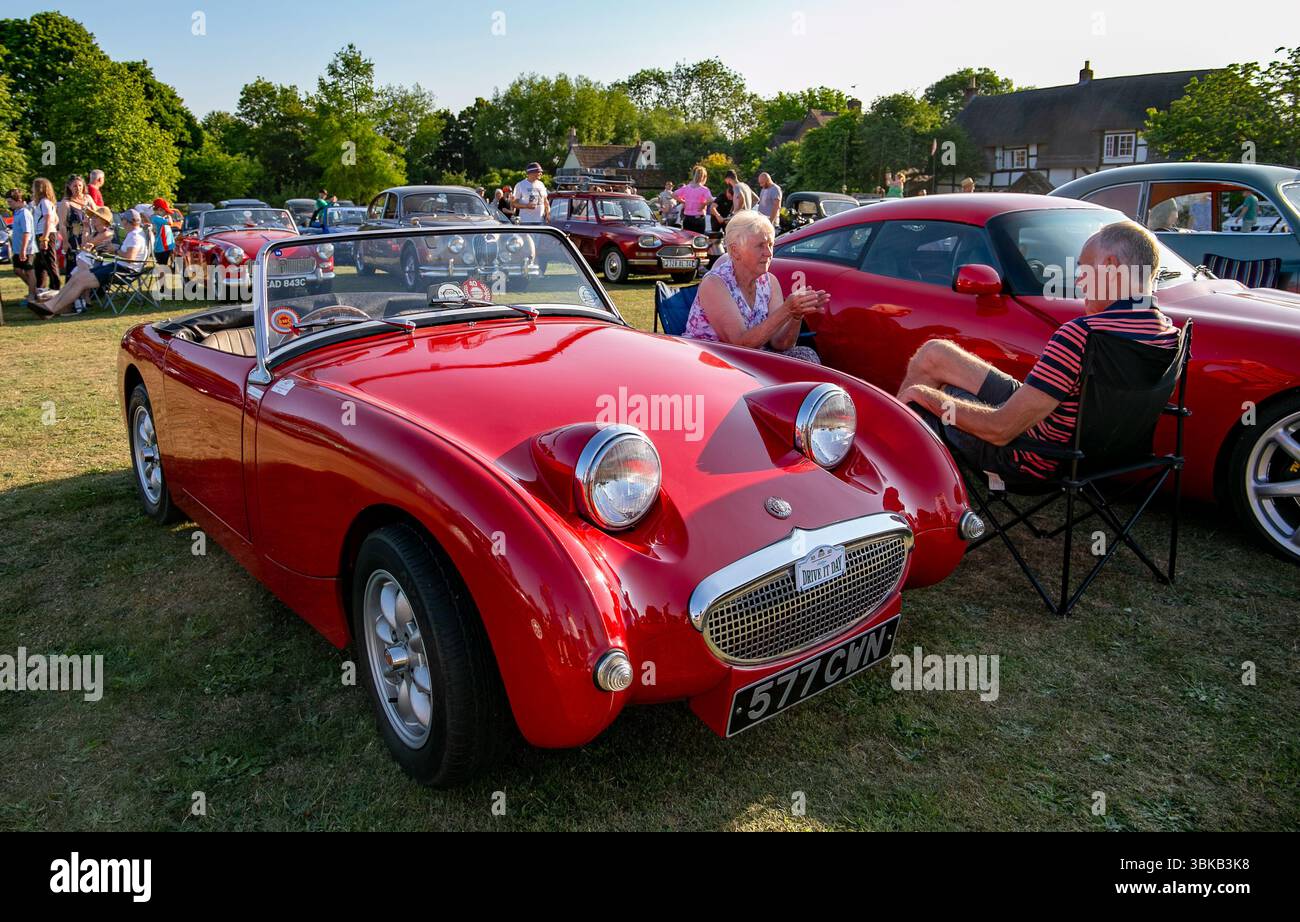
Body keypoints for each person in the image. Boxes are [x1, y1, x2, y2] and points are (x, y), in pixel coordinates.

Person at [898, 220, 1179, 483]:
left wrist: (925, 396)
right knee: (935, 353)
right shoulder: (1169, 336)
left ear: (1109, 266)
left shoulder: (1082, 336)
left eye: (1084, 269)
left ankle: (895, 470)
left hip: (1029, 459)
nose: (1080, 283)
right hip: (1098, 454)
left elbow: (999, 430)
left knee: (933, 395)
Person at [683, 210, 826, 364]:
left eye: (771, 244)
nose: (769, 253)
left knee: (806, 356)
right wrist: (787, 309)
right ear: (735, 251)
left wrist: (796, 315)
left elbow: (781, 344)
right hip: (714, 361)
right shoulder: (715, 283)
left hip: (751, 360)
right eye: (760, 246)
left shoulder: (769, 282)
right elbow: (739, 344)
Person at [30, 209, 151, 317]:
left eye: (123, 219)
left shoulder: (135, 236)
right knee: (78, 276)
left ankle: (53, 308)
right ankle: (52, 305)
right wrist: (116, 249)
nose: (121, 222)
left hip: (123, 271)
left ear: (126, 221)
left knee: (80, 280)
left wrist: (115, 249)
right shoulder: (135, 234)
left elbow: (130, 257)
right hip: (117, 267)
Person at [6, 188, 38, 300]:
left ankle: (32, 295)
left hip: (27, 249)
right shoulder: (17, 213)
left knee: (29, 271)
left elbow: (27, 232)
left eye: (10, 202)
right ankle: (35, 289)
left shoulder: (25, 213)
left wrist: (23, 250)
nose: (9, 205)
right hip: (17, 249)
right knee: (17, 270)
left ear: (19, 200)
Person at [30, 176, 61, 292]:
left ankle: (56, 287)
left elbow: (49, 219)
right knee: (39, 264)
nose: (32, 190)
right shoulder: (45, 203)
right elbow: (56, 219)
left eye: (34, 188)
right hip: (43, 233)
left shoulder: (45, 202)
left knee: (49, 261)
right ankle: (41, 287)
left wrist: (45, 238)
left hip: (45, 235)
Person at [57, 175, 91, 266]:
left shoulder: (88, 199)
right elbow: (62, 224)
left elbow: (97, 214)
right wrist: (65, 242)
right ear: (69, 187)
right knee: (74, 266)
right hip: (74, 238)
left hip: (89, 236)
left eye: (80, 185)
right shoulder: (66, 203)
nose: (78, 188)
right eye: (75, 186)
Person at [675, 166, 714, 234]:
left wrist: (683, 201)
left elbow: (674, 194)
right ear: (704, 177)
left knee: (687, 240)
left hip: (687, 218)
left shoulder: (686, 188)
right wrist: (703, 204)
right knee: (699, 240)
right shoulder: (704, 189)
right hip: (699, 218)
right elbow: (710, 200)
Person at [150, 198, 180, 266]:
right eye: (165, 212)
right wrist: (169, 216)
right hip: (162, 248)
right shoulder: (156, 218)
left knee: (167, 265)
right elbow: (170, 222)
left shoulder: (160, 218)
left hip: (166, 247)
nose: (166, 214)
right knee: (163, 266)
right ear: (159, 210)